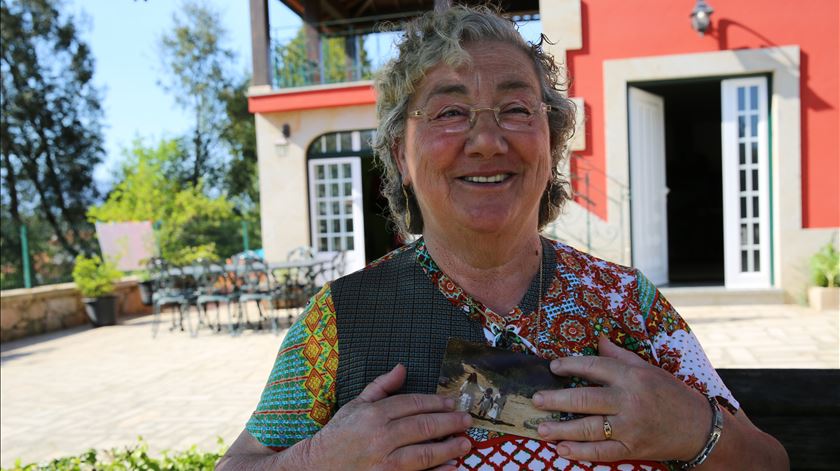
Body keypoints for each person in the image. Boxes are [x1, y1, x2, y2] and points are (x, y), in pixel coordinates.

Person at [218, 5, 787, 470]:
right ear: (401, 155)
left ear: (552, 142)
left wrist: (691, 429)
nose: (487, 140)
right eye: (448, 112)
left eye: (515, 108)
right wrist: (318, 460)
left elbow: (768, 462)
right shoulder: (342, 318)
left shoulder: (626, 305)